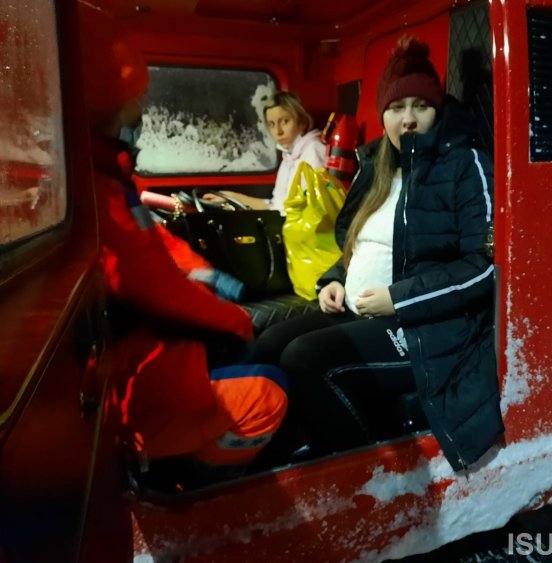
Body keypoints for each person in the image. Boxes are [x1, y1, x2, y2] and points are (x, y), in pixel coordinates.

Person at [252, 37, 503, 471]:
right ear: (382, 114)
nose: (407, 119)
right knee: (270, 343)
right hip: (361, 308)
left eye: (419, 107)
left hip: (426, 323)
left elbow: (481, 267)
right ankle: (299, 448)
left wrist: (399, 298)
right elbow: (360, 243)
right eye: (395, 108)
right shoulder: (379, 168)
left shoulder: (465, 166)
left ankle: (369, 475)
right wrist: (333, 278)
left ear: (437, 111)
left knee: (305, 358)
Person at [78, 1, 287, 475]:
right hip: (134, 381)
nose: (140, 118)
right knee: (268, 392)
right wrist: (233, 323)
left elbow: (151, 246)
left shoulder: (99, 177)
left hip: (127, 358)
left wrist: (201, 269)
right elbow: (149, 285)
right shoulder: (97, 187)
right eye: (132, 105)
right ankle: (199, 485)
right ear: (102, 103)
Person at [206, 91, 327, 214]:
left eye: (285, 121)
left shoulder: (313, 150)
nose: (278, 131)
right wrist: (231, 197)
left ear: (302, 122)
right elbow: (275, 205)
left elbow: (308, 209)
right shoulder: (289, 157)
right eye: (272, 124)